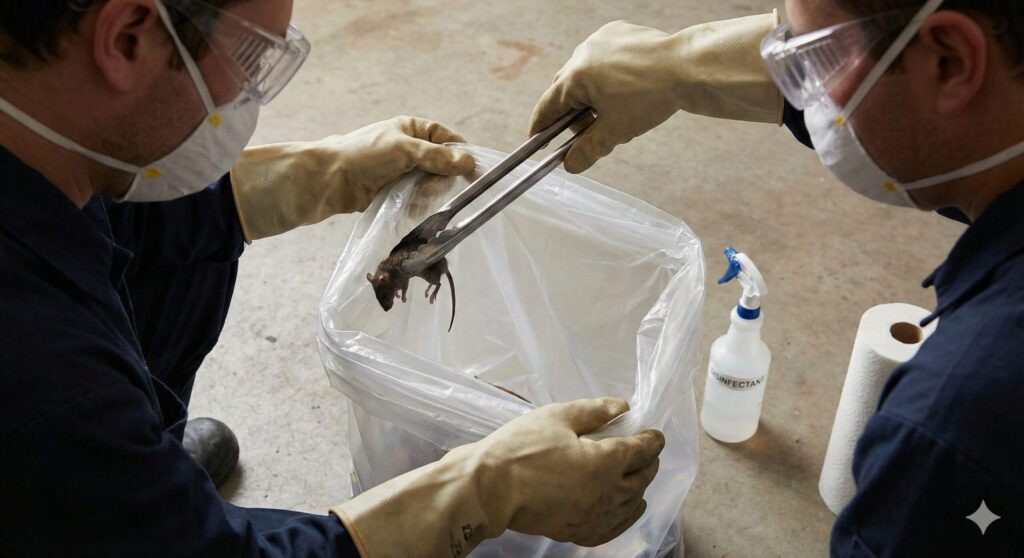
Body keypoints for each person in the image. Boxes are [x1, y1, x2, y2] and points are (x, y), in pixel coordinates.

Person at [0, 0, 665, 556]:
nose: (250, 91)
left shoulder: (36, 142)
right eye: (252, 57)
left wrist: (310, 176)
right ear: (128, 37)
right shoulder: (44, 370)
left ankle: (120, 489)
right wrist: (486, 492)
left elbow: (125, 222)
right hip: (55, 444)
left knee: (183, 254)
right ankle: (117, 501)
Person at [530, 0, 1024, 555]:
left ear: (950, 63)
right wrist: (678, 62)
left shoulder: (952, 434)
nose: (801, 89)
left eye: (816, 59)